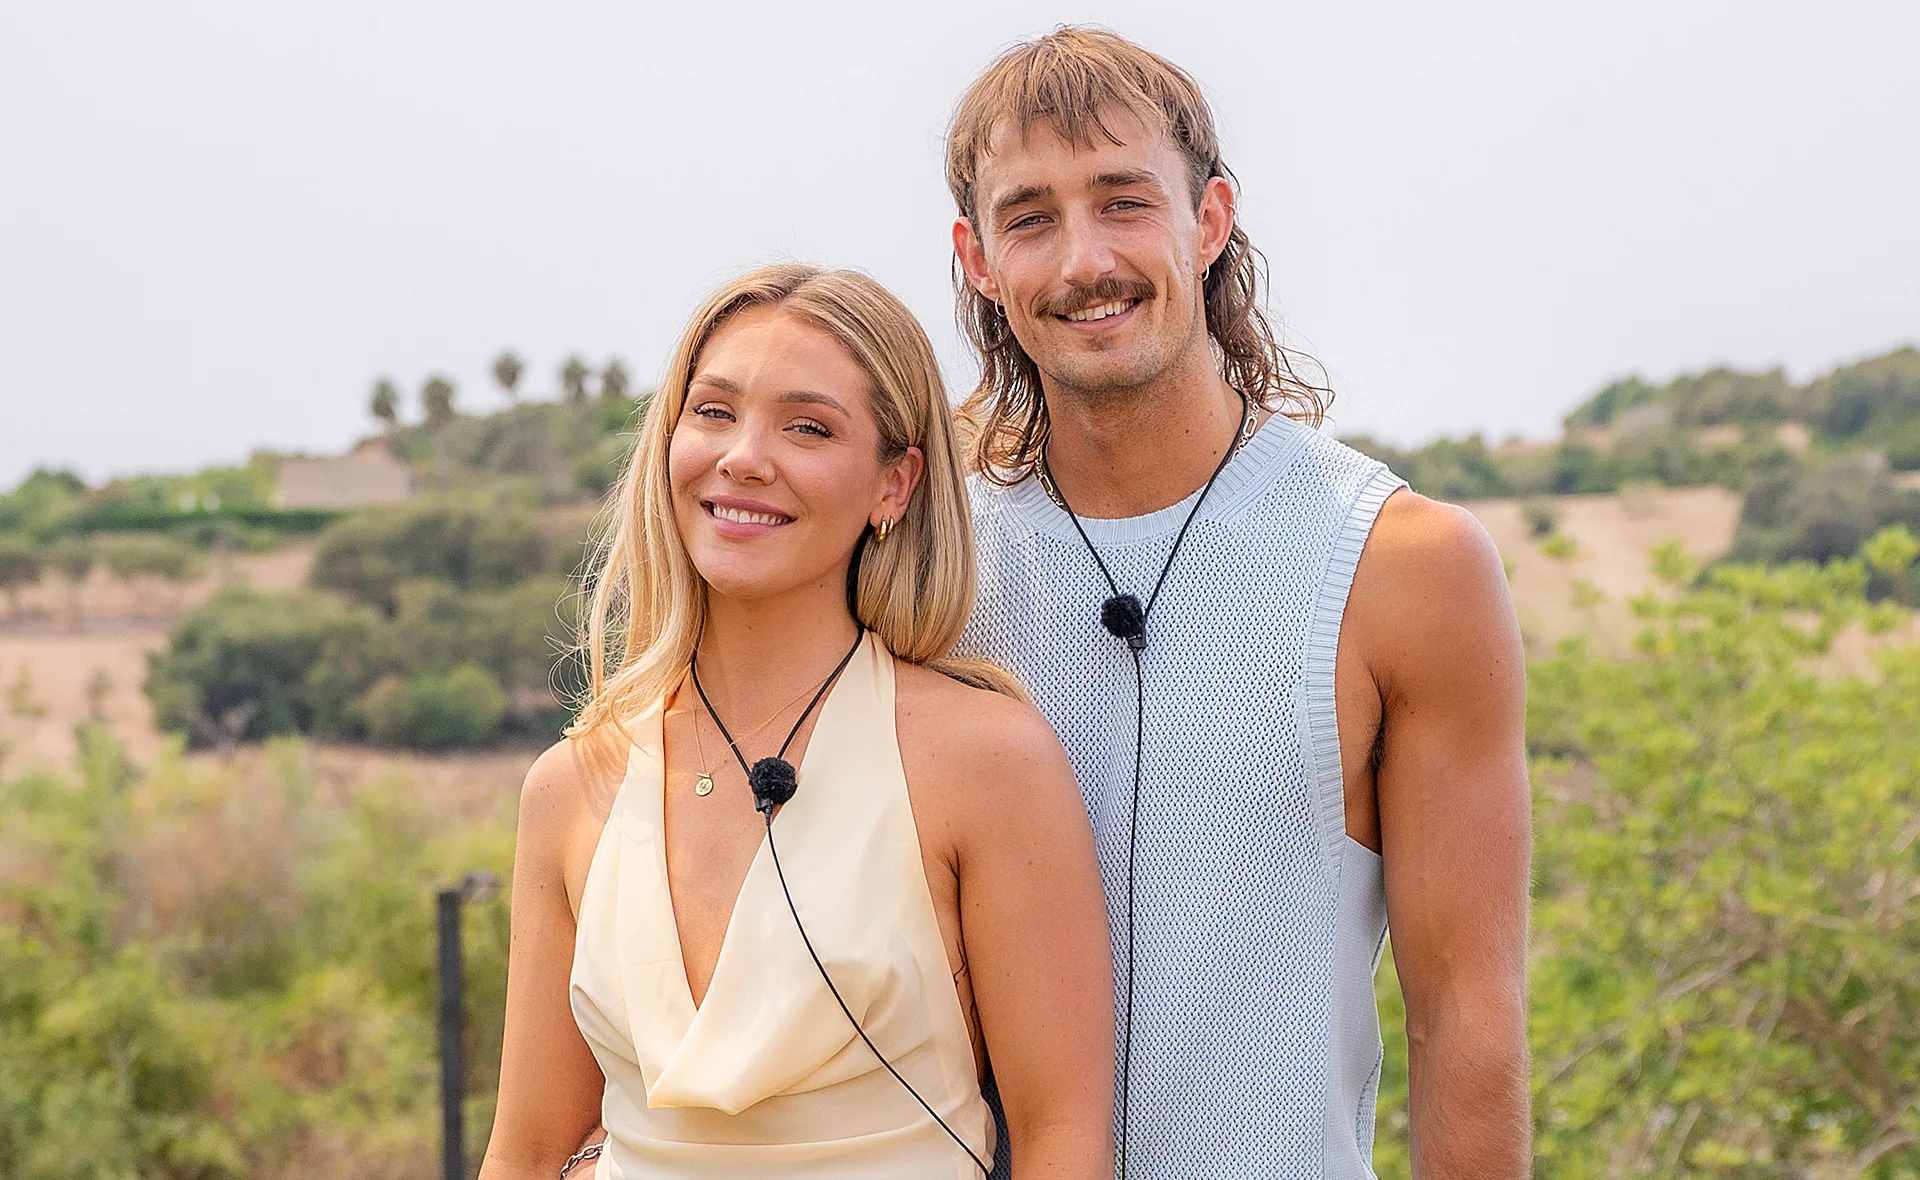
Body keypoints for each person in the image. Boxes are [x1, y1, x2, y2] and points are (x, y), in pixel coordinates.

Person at [946, 28, 1532, 1180]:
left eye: (1124, 202)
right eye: (1030, 218)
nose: (1082, 262)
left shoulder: (1403, 564)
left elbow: (1468, 1009)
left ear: (1209, 221)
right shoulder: (928, 572)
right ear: (976, 258)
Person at [478, 263, 1115, 1180]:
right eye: (713, 412)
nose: (743, 455)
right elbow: (529, 1150)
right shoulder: (572, 786)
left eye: (808, 427)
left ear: (894, 487)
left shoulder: (986, 762)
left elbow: (1063, 1142)